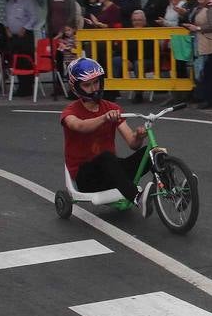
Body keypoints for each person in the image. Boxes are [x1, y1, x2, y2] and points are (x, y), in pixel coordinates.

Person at [60, 58, 152, 214]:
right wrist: (104, 118)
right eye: (87, 85)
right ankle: (136, 198)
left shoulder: (112, 107)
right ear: (76, 88)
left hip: (110, 171)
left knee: (152, 153)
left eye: (96, 82)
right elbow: (80, 126)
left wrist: (139, 135)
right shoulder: (69, 112)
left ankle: (176, 192)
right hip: (86, 177)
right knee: (107, 157)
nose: (93, 88)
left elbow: (132, 143)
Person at [184, 0, 212, 108]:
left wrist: (197, 28)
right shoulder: (198, 8)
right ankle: (205, 98)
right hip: (201, 44)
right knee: (204, 73)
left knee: (210, 74)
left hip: (211, 45)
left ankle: (210, 100)